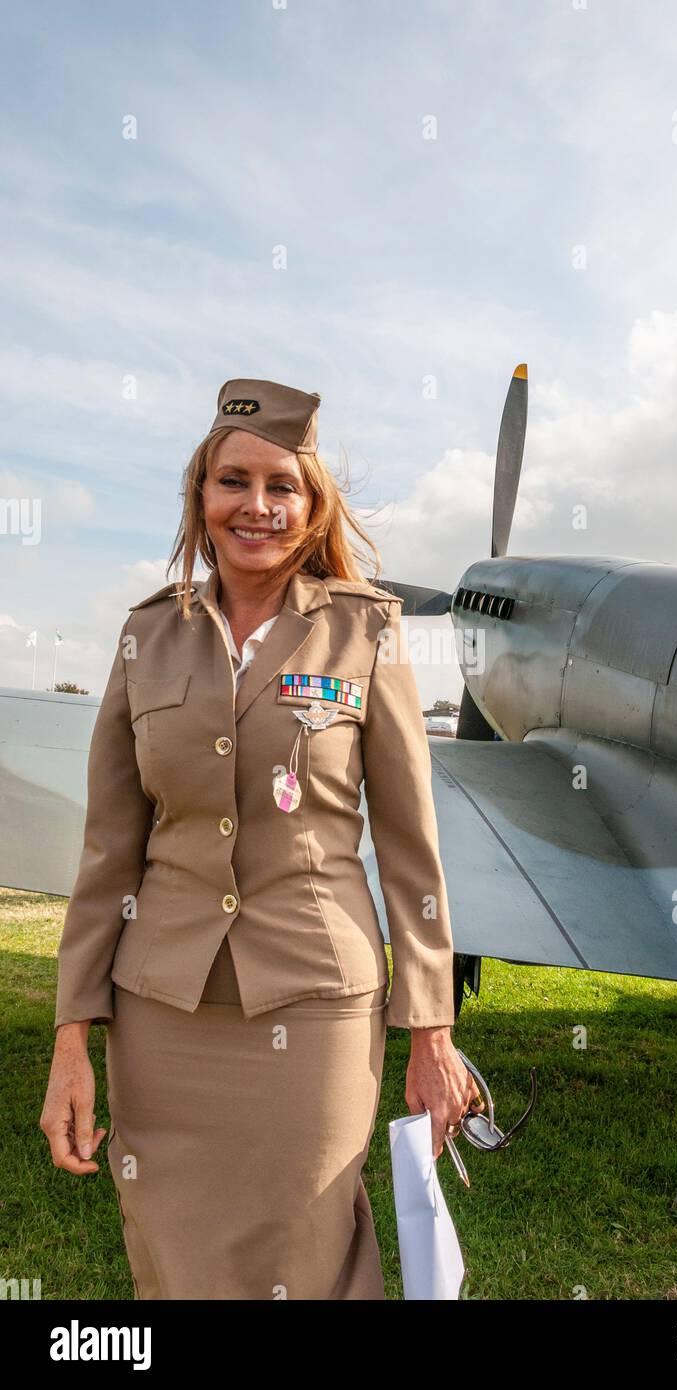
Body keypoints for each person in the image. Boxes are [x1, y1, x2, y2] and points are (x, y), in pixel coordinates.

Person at [40, 377, 479, 1300]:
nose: (257, 506)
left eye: (283, 486)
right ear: (200, 497)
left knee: (305, 1239)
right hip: (162, 1008)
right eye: (233, 481)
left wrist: (431, 1028)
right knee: (170, 1248)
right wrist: (71, 1038)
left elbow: (409, 849)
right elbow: (107, 854)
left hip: (314, 1001)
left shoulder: (368, 633)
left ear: (313, 506)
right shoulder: (143, 639)